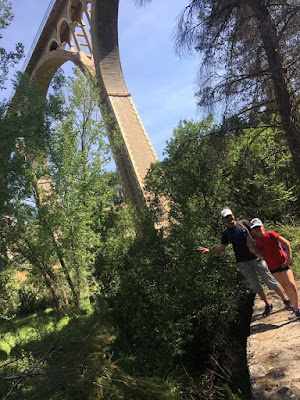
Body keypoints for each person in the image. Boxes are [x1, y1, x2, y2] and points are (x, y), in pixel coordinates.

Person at [197, 208, 291, 316]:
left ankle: (285, 300)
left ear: (233, 215)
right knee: (255, 285)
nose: (229, 218)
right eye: (226, 217)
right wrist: (209, 251)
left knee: (269, 279)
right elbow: (222, 248)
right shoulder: (226, 233)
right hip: (242, 262)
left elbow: (256, 234)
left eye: (230, 215)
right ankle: (268, 304)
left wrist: (262, 248)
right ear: (223, 220)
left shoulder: (244, 224)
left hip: (256, 257)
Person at [250, 218, 300, 319]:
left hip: (283, 264)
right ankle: (296, 309)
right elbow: (263, 257)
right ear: (253, 230)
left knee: (291, 284)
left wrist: (289, 259)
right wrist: (254, 252)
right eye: (255, 228)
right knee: (285, 286)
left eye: (258, 227)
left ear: (262, 226)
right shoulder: (258, 243)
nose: (257, 229)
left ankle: (298, 307)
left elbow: (286, 243)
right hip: (273, 267)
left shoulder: (271, 234)